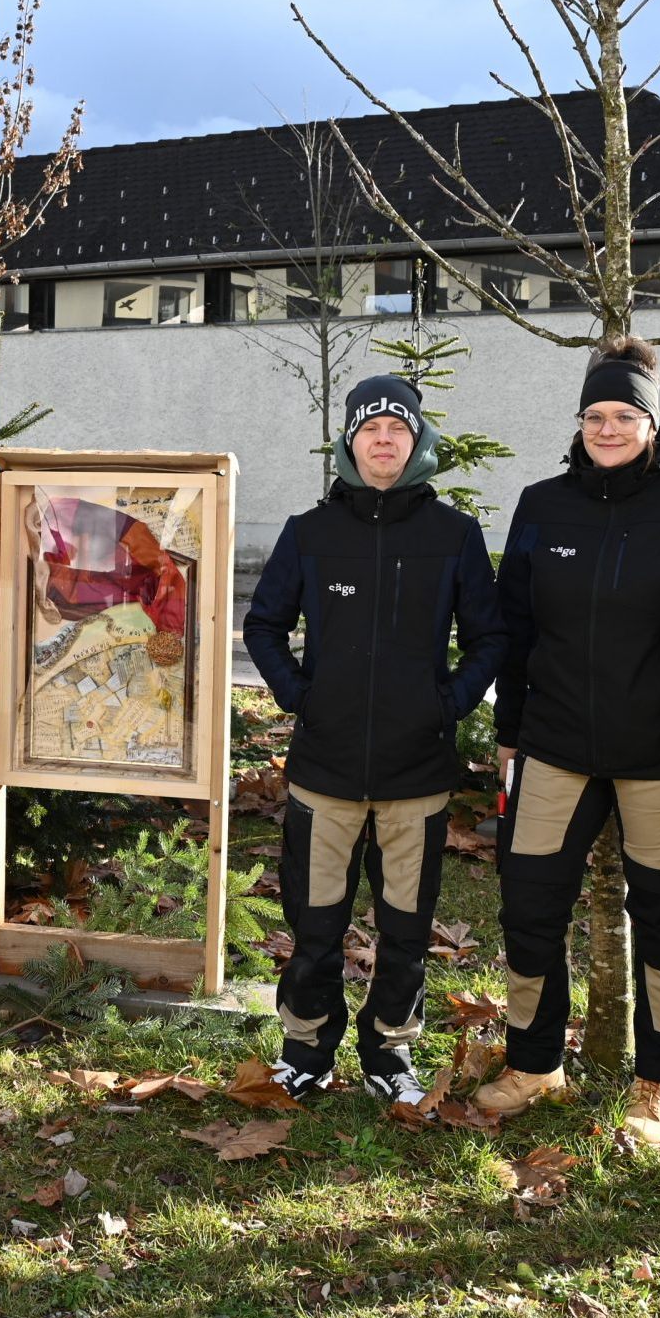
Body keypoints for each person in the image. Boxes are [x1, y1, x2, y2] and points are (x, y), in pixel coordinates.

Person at [471, 338, 660, 1145]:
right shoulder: (543, 504)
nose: (609, 427)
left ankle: (659, 1080)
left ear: (653, 423)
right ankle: (535, 1061)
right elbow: (513, 629)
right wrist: (510, 734)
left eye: (626, 414)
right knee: (529, 902)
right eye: (596, 414)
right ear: (579, 422)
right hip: (552, 745)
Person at [243, 374, 502, 1105]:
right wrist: (301, 696)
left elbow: (489, 638)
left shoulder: (453, 535)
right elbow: (263, 626)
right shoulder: (310, 532)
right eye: (369, 428)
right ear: (349, 442)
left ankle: (390, 1051)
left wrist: (444, 704)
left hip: (415, 771)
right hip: (322, 770)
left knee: (406, 927)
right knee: (315, 920)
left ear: (417, 440)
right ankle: (306, 1047)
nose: (383, 438)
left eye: (397, 426)